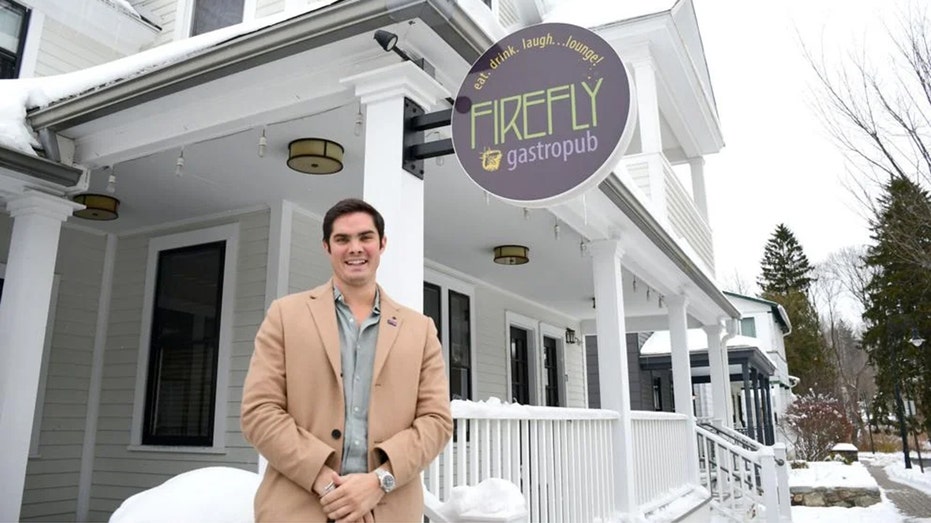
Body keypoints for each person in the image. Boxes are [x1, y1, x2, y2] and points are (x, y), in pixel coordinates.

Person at [241, 198, 453, 522]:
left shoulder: (420, 329)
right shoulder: (285, 315)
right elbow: (259, 411)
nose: (355, 248)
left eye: (365, 237)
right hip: (297, 508)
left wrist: (380, 481)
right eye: (342, 239)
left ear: (382, 244)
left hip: (388, 510)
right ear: (327, 246)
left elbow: (436, 421)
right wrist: (325, 481)